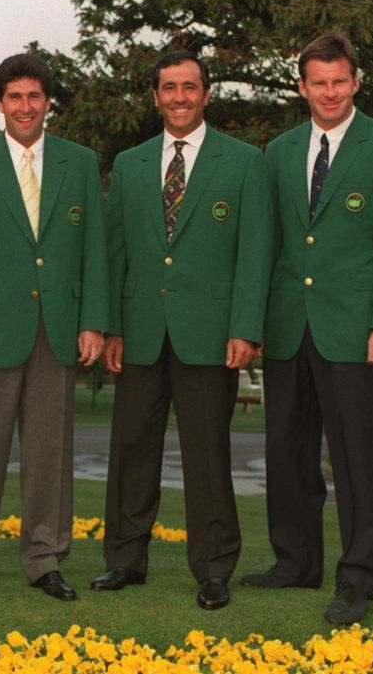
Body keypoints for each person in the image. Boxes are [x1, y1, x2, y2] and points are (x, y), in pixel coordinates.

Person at [239, 33, 373, 625]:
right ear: (302, 87)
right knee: (287, 454)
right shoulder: (277, 151)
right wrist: (254, 323)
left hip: (355, 332)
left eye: (338, 81)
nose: (328, 92)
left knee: (355, 460)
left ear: (356, 82)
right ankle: (296, 562)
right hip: (288, 327)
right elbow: (264, 245)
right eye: (317, 82)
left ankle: (357, 580)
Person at [91, 51, 270, 610]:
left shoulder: (244, 163)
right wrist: (113, 326)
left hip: (211, 333)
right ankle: (124, 560)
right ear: (155, 96)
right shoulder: (130, 163)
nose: (179, 97)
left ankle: (214, 569)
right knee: (131, 449)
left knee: (208, 453)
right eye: (169, 87)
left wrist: (245, 327)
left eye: (189, 87)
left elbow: (255, 254)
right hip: (141, 330)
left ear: (206, 94)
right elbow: (115, 250)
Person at [0, 53, 108, 601]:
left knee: (49, 451)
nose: (24, 106)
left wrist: (93, 322)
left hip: (58, 327)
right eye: (14, 97)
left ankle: (45, 558)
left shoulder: (80, 162)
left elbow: (94, 250)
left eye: (34, 96)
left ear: (47, 103)